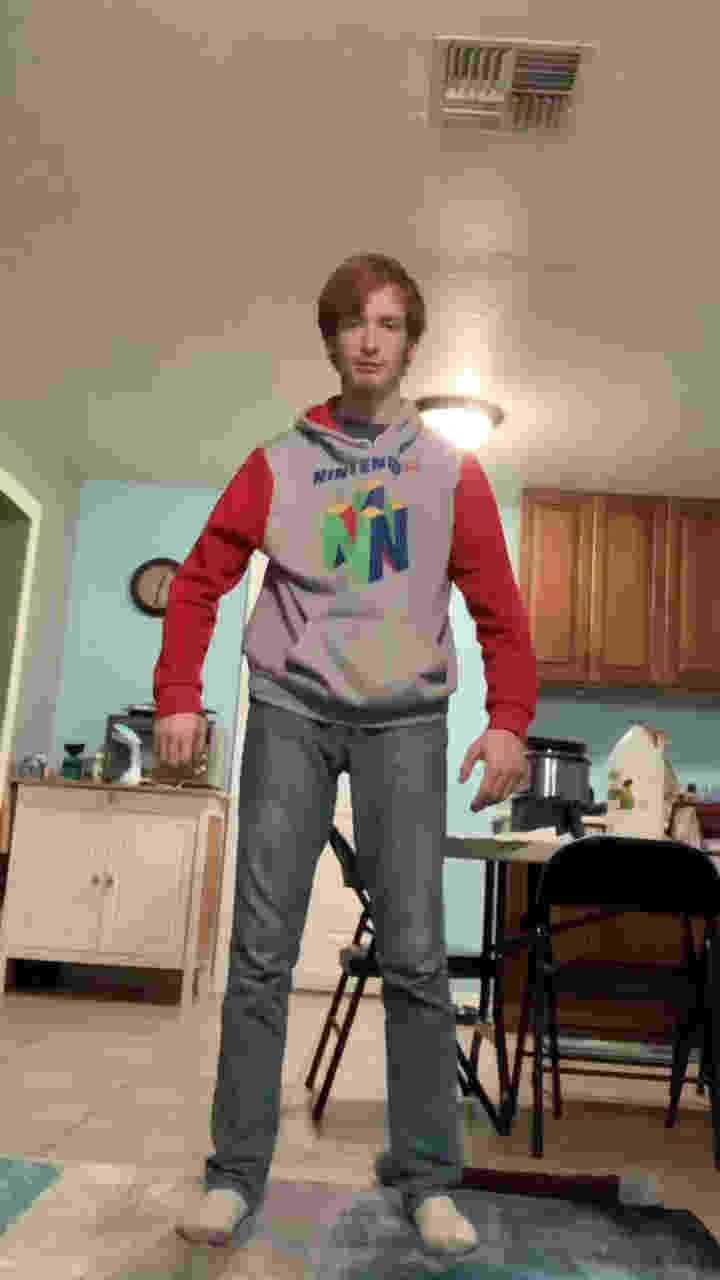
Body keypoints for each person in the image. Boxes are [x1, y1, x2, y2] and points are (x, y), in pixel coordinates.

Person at [153, 253, 537, 1257]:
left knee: (414, 954)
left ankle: (427, 1178)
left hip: (406, 722)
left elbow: (499, 606)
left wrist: (509, 716)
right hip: (290, 711)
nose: (371, 339)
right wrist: (180, 693)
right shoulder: (278, 461)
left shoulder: (450, 472)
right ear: (331, 338)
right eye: (354, 322)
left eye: (390, 323)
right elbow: (198, 581)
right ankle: (235, 1174)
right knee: (261, 950)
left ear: (411, 344)